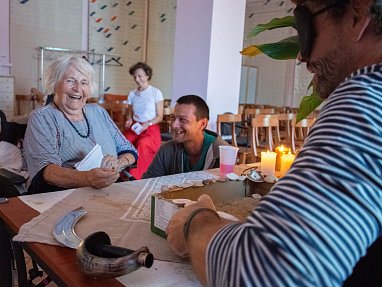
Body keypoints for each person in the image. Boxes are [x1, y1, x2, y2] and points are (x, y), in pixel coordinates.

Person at [166, 1, 382, 286]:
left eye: (304, 24)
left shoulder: (368, 99)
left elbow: (266, 274)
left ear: (358, 12)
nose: (302, 56)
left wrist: (196, 221)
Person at [24, 56, 137, 194]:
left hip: (110, 188)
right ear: (54, 84)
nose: (78, 88)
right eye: (70, 81)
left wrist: (118, 164)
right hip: (65, 193)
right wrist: (88, 178)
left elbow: (129, 150)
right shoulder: (42, 117)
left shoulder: (98, 111)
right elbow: (47, 171)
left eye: (84, 82)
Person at [143, 95, 229, 179]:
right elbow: (146, 183)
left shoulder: (223, 153)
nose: (173, 125)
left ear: (202, 124)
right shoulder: (167, 150)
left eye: (183, 120)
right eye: (173, 118)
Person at [123, 62, 164, 179]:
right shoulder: (132, 94)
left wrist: (148, 123)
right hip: (135, 127)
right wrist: (129, 120)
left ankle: (139, 175)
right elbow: (129, 114)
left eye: (140, 76)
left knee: (143, 143)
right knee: (123, 142)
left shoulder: (156, 93)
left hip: (150, 127)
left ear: (147, 76)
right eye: (135, 76)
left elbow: (159, 117)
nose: (137, 79)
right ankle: (122, 171)